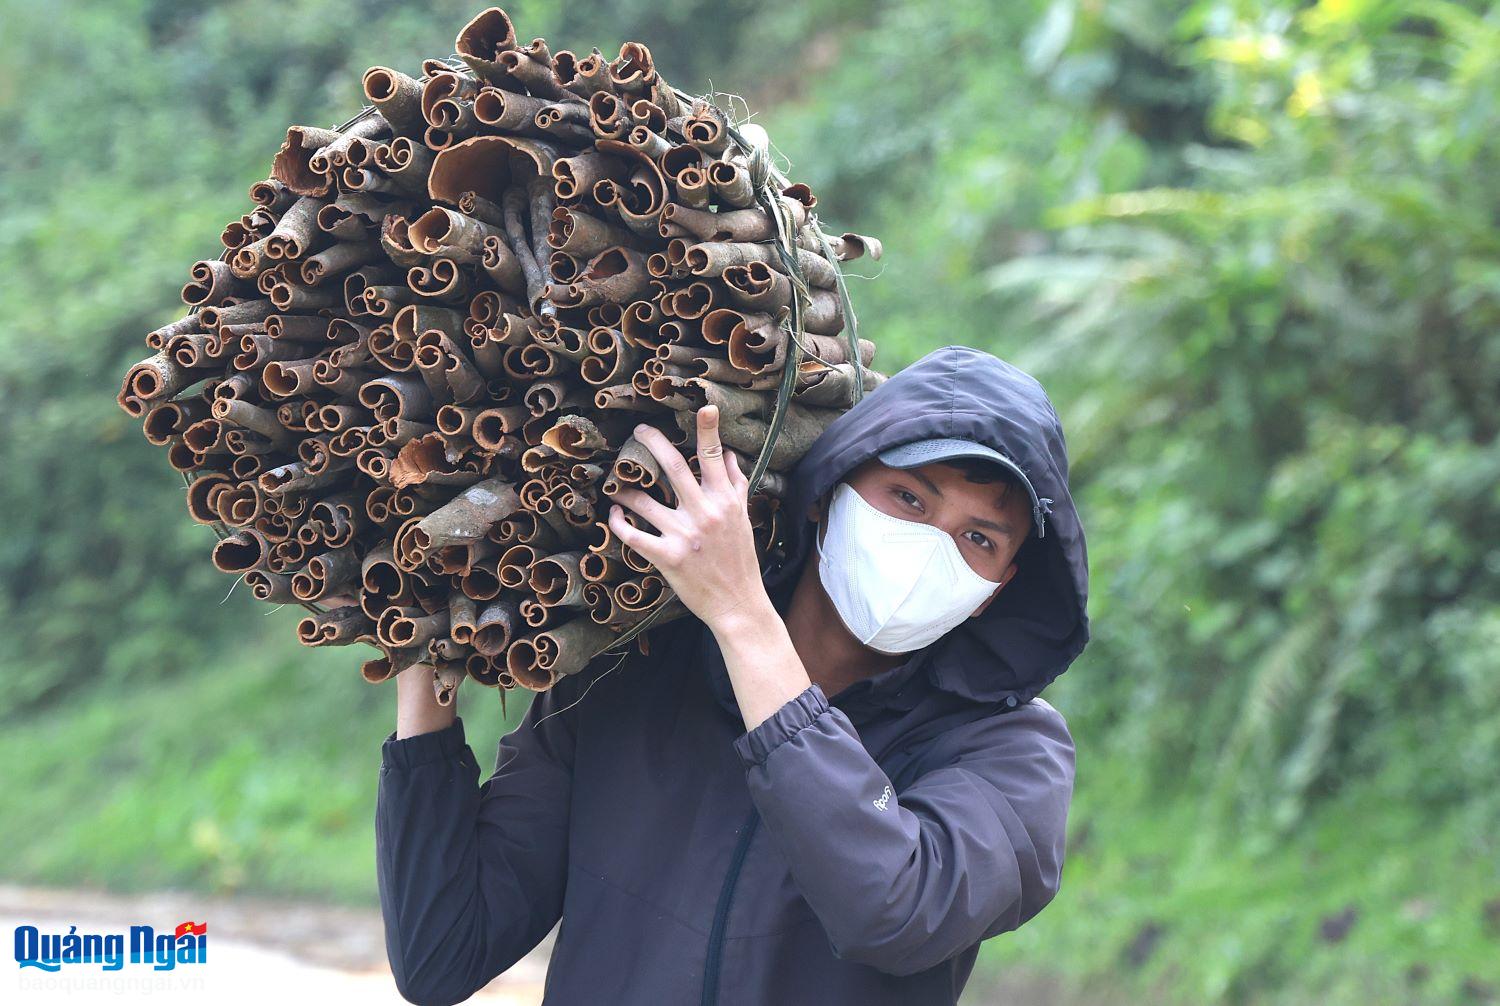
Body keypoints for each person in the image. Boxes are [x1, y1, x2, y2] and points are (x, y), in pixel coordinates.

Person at [375, 344, 1091, 1006]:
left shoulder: (1013, 756)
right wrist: (425, 660)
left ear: (998, 585)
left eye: (978, 538)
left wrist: (744, 617)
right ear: (830, 490)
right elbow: (444, 953)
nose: (931, 547)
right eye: (909, 499)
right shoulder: (638, 668)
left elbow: (891, 911)